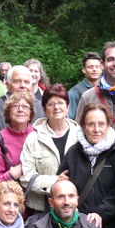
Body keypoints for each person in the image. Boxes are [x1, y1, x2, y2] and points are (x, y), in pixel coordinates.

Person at [19, 84, 79, 213]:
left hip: (76, 206)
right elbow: (26, 176)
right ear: (44, 109)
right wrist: (55, 181)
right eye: (51, 104)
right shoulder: (33, 138)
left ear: (67, 106)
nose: (56, 107)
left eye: (60, 103)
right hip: (42, 208)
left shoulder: (81, 135)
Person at [0, 91, 36, 189]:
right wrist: (10, 175)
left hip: (37, 197)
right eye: (15, 106)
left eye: (25, 107)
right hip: (10, 198)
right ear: (8, 113)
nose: (20, 109)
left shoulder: (39, 135)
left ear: (31, 114)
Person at [0, 65, 44, 132]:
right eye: (17, 81)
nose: (22, 86)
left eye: (26, 82)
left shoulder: (40, 108)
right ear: (7, 84)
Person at [67, 52, 103, 119]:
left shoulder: (108, 89)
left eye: (97, 67)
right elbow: (69, 118)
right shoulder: (75, 92)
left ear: (102, 69)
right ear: (84, 70)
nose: (94, 69)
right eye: (90, 67)